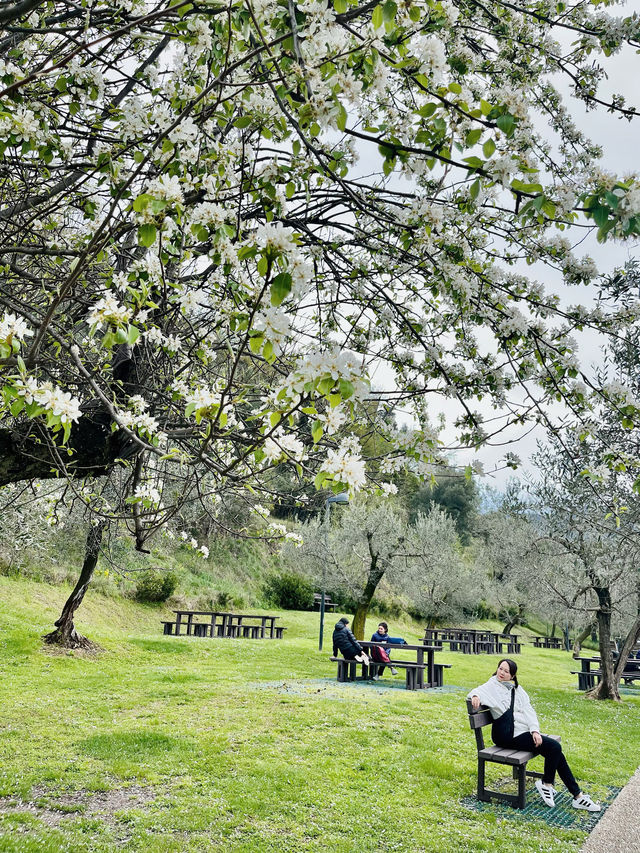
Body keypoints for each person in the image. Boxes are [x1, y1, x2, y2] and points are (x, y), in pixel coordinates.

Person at [468, 658, 601, 811]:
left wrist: (535, 731)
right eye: (500, 669)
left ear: (512, 676)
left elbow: (528, 710)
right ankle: (548, 785)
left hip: (522, 733)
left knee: (556, 751)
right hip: (507, 736)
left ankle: (576, 795)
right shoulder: (491, 686)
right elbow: (476, 691)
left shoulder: (517, 689)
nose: (502, 673)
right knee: (554, 747)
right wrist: (475, 697)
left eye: (506, 671)